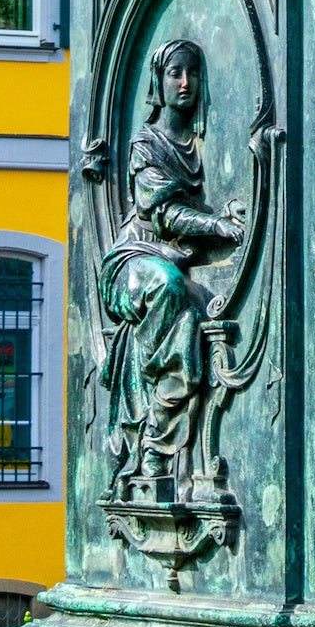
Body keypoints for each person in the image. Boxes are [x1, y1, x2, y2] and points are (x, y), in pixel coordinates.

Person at [98, 40, 244, 494]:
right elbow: (162, 215)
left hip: (175, 268)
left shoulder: (194, 145)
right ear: (158, 83)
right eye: (175, 73)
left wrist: (223, 217)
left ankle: (155, 444)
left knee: (190, 318)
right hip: (133, 263)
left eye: (193, 73)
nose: (185, 82)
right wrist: (217, 225)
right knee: (167, 286)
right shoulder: (145, 144)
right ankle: (150, 434)